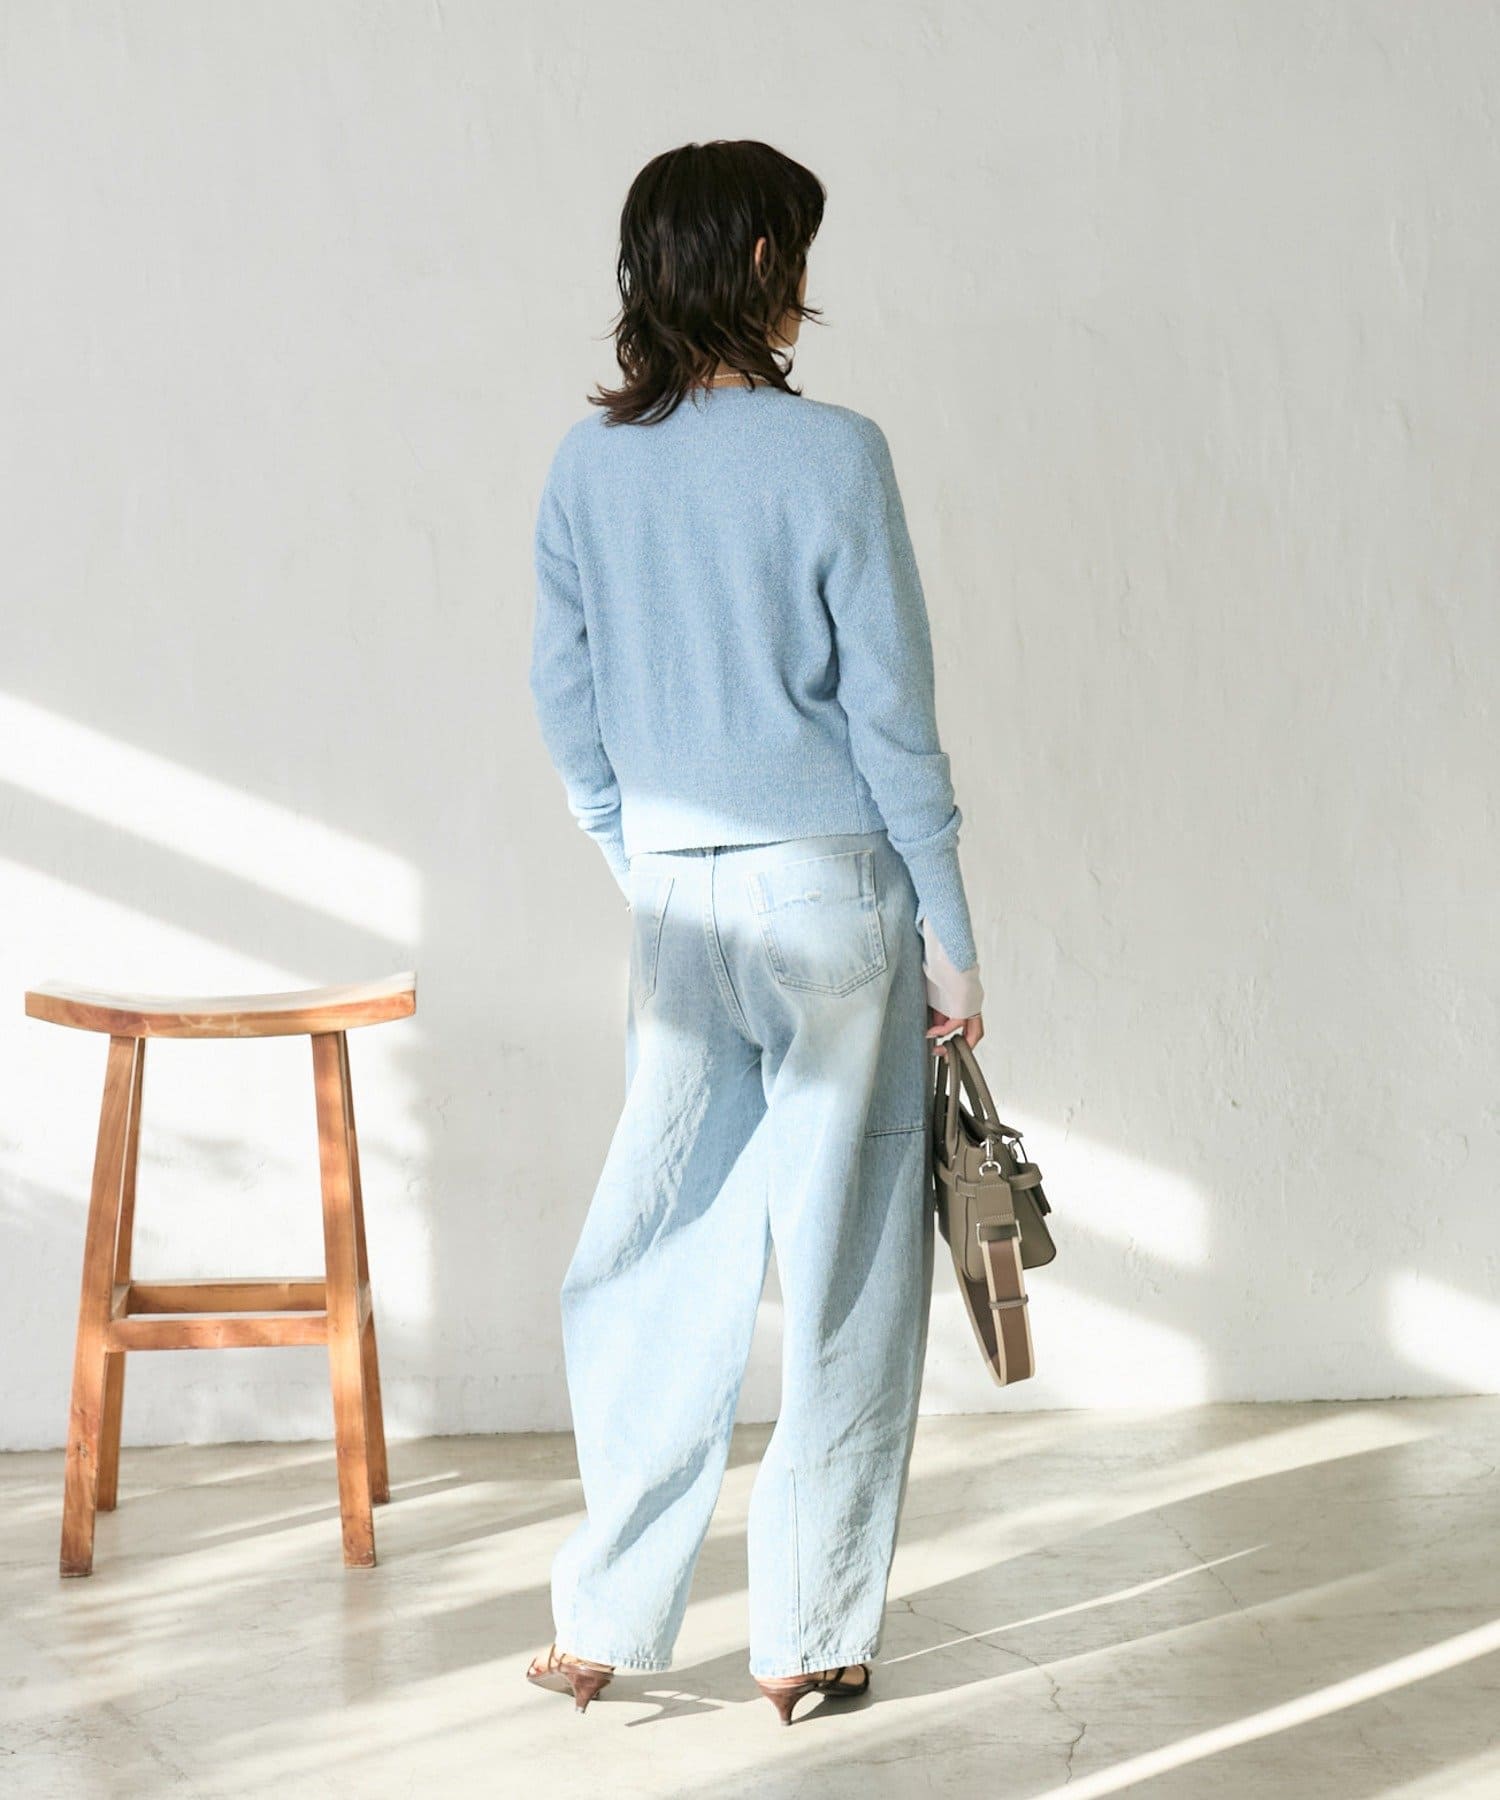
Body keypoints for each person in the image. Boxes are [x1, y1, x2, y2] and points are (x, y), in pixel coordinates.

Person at [524, 139, 985, 1726]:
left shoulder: (588, 467)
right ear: (762, 264)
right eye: (797, 253)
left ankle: (605, 1615)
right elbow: (892, 718)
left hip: (677, 902)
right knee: (845, 1266)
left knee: (656, 1251)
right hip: (831, 895)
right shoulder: (835, 453)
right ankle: (807, 1634)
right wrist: (951, 933)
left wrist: (639, 853)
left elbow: (568, 705)